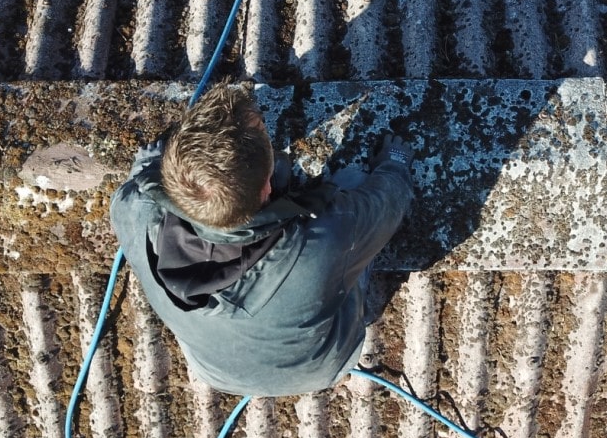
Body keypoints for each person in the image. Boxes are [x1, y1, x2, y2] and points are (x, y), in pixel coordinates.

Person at [110, 83, 414, 396]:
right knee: (351, 181)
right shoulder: (324, 236)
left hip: (214, 371)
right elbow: (388, 204)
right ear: (266, 188)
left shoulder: (131, 213)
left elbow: (143, 172)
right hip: (320, 368)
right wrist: (395, 163)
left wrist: (150, 164)